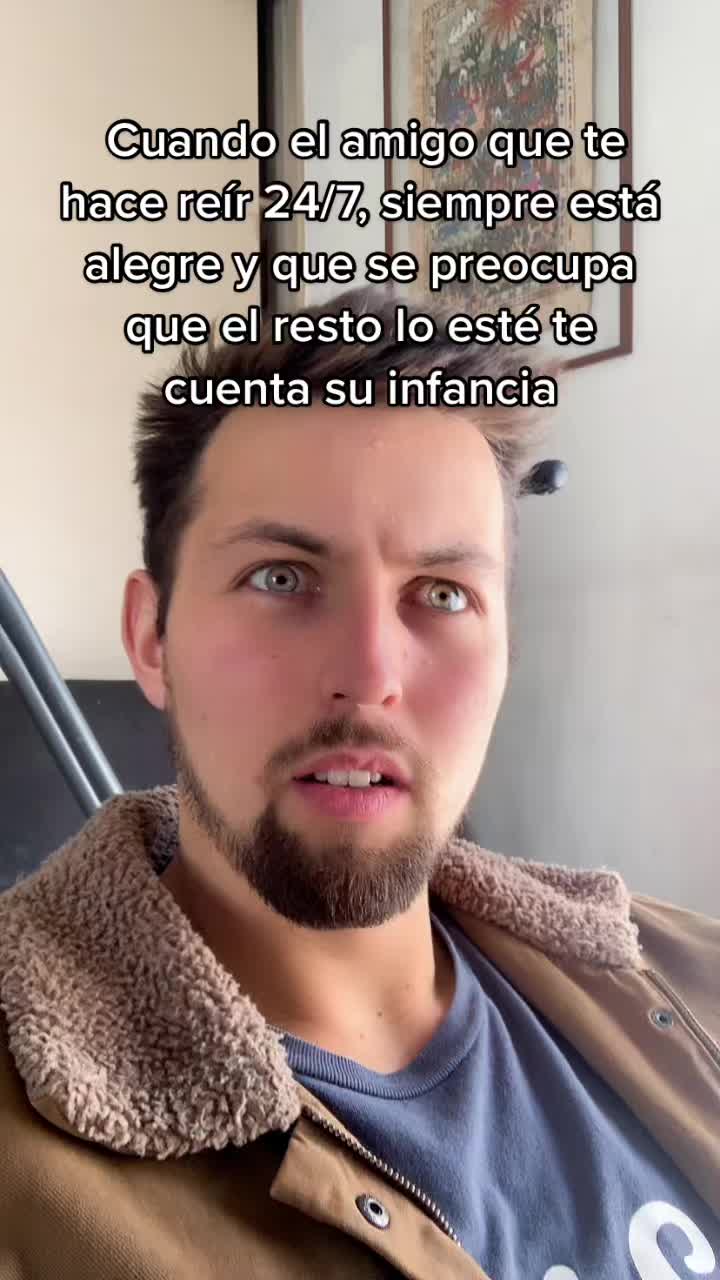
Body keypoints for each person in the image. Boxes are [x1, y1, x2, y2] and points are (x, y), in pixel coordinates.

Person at [0, 287, 717, 1279]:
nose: (371, 672)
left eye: (442, 593)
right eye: (281, 577)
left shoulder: (687, 974)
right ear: (152, 637)